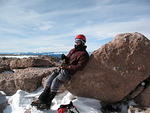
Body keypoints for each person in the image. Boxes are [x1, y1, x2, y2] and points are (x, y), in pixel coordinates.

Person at [31, 34, 89, 110]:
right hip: (62, 68)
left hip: (68, 72)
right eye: (76, 41)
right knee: (50, 80)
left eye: (78, 41)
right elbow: (68, 58)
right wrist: (65, 57)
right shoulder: (73, 50)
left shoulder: (84, 54)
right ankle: (41, 99)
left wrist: (67, 67)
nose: (76, 43)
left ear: (83, 42)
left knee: (55, 82)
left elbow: (80, 67)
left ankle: (47, 103)